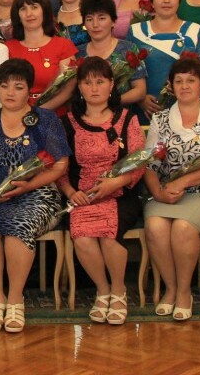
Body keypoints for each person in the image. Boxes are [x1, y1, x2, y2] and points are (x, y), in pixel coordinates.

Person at [0, 58, 69, 333]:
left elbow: (60, 165)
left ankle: (15, 299)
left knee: (18, 226)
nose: (10, 92)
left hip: (38, 194)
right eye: (4, 86)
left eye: (18, 87)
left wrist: (28, 185)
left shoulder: (45, 120)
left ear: (29, 90)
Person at [142, 56, 200, 321]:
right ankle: (170, 289)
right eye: (179, 81)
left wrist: (182, 182)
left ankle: (184, 292)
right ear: (171, 86)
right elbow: (149, 164)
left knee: (183, 227)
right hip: (167, 193)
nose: (184, 86)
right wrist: (158, 192)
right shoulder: (160, 119)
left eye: (191, 81)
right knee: (156, 226)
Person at [57, 56, 145, 325]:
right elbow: (59, 167)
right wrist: (70, 192)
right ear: (79, 87)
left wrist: (115, 183)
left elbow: (140, 161)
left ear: (111, 85)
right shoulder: (68, 122)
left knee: (108, 237)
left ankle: (119, 291)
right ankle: (103, 290)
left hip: (120, 194)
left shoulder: (127, 119)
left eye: (100, 81)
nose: (94, 88)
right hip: (82, 196)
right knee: (83, 238)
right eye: (87, 82)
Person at [128, 0, 200, 118]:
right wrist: (140, 98)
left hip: (187, 109)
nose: (166, 0)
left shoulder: (194, 30)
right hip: (147, 112)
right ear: (151, 1)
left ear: (179, 0)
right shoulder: (136, 31)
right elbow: (128, 73)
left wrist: (184, 89)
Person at [7, 0, 78, 109]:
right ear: (17, 16)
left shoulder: (63, 45)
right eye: (23, 9)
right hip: (15, 111)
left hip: (53, 112)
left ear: (44, 12)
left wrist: (40, 111)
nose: (29, 14)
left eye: (34, 7)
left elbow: (67, 90)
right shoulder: (7, 48)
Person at [75, 0, 148, 108]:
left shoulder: (128, 49)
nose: (95, 24)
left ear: (113, 21)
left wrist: (108, 103)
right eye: (89, 19)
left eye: (101, 18)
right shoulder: (78, 53)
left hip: (121, 114)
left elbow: (140, 90)